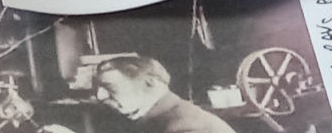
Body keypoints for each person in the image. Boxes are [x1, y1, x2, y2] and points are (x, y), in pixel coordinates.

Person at [90, 53, 238, 133]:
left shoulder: (186, 125)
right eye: (97, 88)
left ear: (149, 83)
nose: (99, 96)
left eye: (110, 87)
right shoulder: (160, 115)